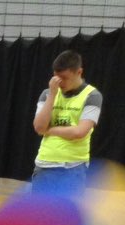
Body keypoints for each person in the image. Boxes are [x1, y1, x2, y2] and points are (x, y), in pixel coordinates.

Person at [31, 50, 102, 195]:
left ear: (79, 72)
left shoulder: (92, 95)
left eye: (64, 78)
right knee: (39, 216)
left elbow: (79, 132)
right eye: (56, 78)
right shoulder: (47, 93)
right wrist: (52, 95)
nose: (60, 82)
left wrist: (49, 130)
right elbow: (39, 127)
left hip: (72, 168)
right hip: (44, 164)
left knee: (66, 216)